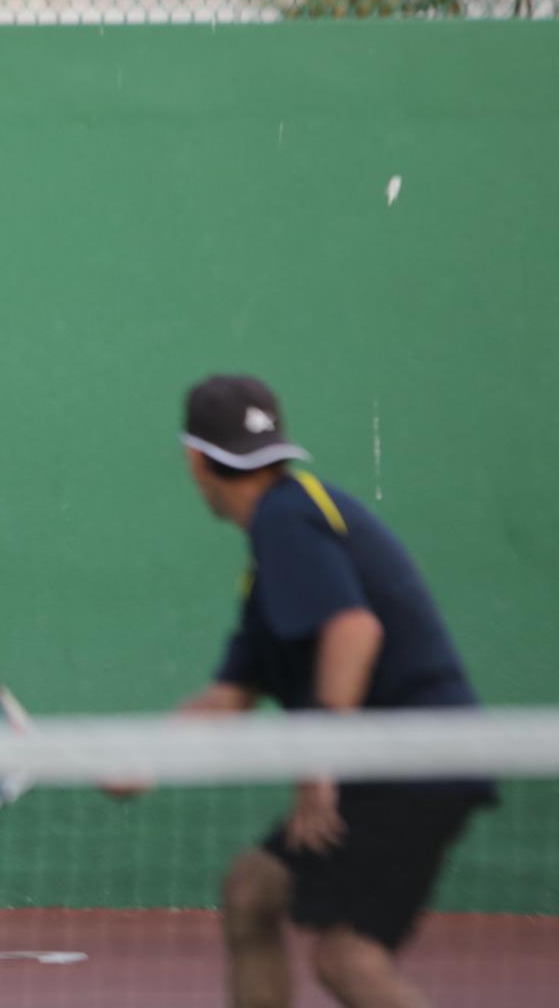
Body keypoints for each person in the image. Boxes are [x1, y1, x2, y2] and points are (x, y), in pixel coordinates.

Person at [170, 374, 496, 1008]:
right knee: (253, 890)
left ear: (193, 458)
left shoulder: (286, 520)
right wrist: (135, 760)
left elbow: (353, 629)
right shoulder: (277, 555)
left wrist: (320, 758)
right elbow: (230, 697)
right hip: (403, 759)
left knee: (347, 958)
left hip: (417, 759)